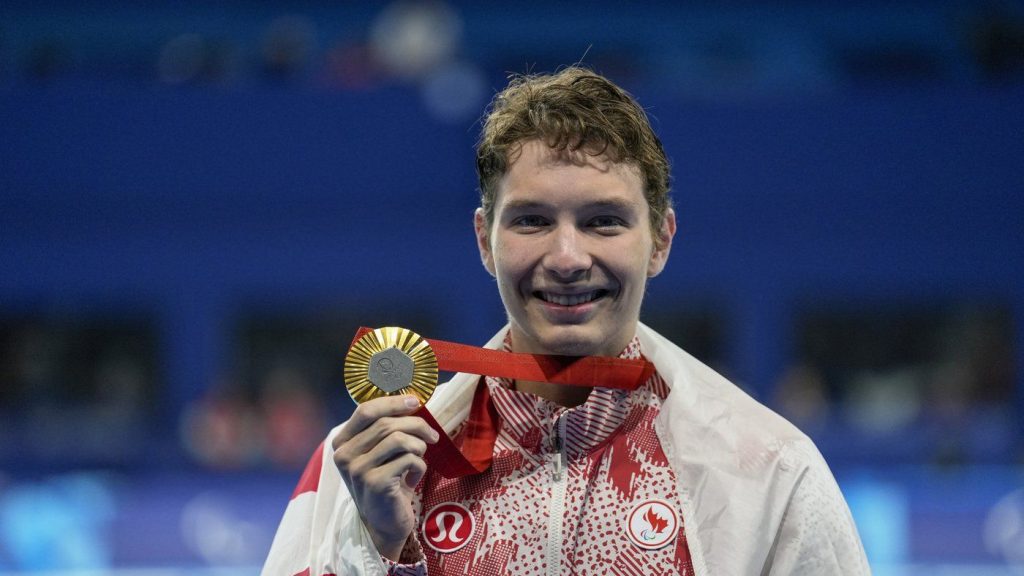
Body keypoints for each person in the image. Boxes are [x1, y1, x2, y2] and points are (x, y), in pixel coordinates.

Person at [261, 67, 869, 575]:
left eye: (604, 221)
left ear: (660, 240)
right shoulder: (363, 467)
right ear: (484, 240)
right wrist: (373, 548)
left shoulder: (769, 472)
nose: (568, 258)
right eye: (531, 221)